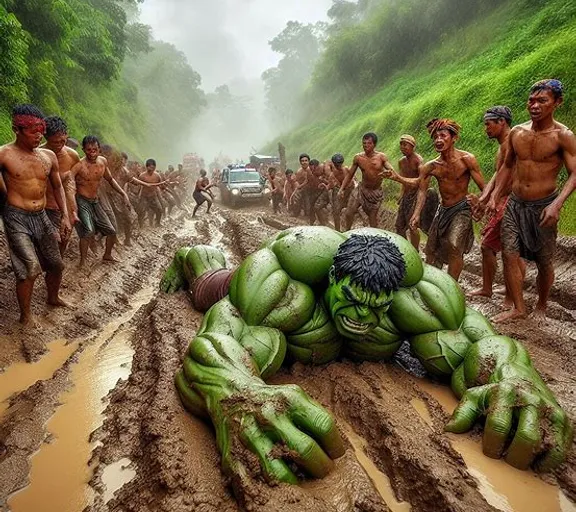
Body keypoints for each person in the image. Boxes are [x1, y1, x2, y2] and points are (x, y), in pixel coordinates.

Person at [161, 226, 572, 491]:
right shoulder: (284, 285)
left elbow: (482, 341)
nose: (362, 318)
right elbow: (213, 345)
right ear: (332, 280)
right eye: (353, 303)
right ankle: (193, 252)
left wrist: (512, 374)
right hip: (255, 280)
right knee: (204, 285)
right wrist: (238, 389)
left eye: (375, 309)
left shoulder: (422, 295)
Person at [488, 79, 576, 322]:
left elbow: (574, 174)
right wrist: (495, 196)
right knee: (508, 252)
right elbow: (506, 167)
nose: (534, 105)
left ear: (557, 103)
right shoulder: (517, 132)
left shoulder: (563, 136)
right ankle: (518, 307)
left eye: (542, 101)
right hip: (516, 204)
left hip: (543, 205)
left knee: (545, 261)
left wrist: (557, 204)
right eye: (531, 100)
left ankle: (541, 304)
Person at [0, 104, 71, 325]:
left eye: (41, 131)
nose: (39, 136)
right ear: (17, 129)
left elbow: (58, 187)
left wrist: (66, 216)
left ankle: (53, 297)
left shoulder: (48, 155)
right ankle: (25, 317)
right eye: (33, 131)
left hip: (41, 216)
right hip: (16, 217)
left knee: (56, 264)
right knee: (30, 268)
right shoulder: (4, 154)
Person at [409, 119, 485, 281]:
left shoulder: (467, 159)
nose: (438, 140)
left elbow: (483, 188)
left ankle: (452, 286)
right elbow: (422, 192)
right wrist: (416, 214)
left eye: (443, 136)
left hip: (462, 208)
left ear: (454, 138)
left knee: (454, 245)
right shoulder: (431, 166)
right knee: (431, 250)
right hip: (442, 210)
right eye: (435, 137)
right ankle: (431, 284)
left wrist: (482, 203)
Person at [471, 107, 526, 304]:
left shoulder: (511, 142)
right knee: (510, 250)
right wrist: (485, 198)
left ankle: (511, 299)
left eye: (489, 123)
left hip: (511, 201)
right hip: (504, 200)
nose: (486, 128)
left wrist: (492, 199)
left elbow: (510, 176)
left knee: (495, 247)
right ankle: (497, 289)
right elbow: (498, 174)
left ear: (502, 121)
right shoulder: (502, 145)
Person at [70, 135, 131, 267]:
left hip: (95, 201)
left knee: (111, 231)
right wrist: (71, 204)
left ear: (99, 150)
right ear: (83, 150)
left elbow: (110, 179)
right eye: (89, 150)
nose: (92, 153)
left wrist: (123, 193)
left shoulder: (102, 161)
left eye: (95, 150)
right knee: (88, 231)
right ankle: (82, 261)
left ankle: (107, 255)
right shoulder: (80, 165)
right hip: (82, 201)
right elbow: (69, 179)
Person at [41, 116, 80, 255]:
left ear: (67, 136)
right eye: (54, 142)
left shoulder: (72, 156)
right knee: (48, 243)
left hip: (64, 208)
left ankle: (55, 273)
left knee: (64, 240)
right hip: (43, 207)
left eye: (63, 141)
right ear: (46, 137)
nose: (59, 145)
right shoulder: (38, 155)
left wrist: (73, 210)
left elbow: (73, 182)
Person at [340, 132, 394, 229]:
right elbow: (349, 175)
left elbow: (390, 169)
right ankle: (347, 232)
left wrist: (389, 172)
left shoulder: (381, 157)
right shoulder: (358, 158)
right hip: (361, 189)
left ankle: (375, 240)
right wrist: (342, 189)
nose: (366, 146)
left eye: (369, 143)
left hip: (375, 192)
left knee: (372, 219)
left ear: (374, 144)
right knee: (349, 213)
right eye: (364, 143)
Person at [393, 135, 424, 249]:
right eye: (401, 144)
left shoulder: (419, 161)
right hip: (406, 196)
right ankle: (406, 249)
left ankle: (415, 250)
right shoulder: (401, 162)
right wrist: (401, 195)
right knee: (399, 226)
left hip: (416, 196)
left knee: (413, 226)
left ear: (412, 146)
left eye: (405, 144)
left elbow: (421, 182)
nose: (402, 147)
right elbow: (403, 179)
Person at [327, 153, 354, 232]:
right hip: (338, 190)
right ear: (334, 164)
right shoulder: (332, 174)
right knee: (336, 211)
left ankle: (349, 228)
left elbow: (353, 179)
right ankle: (337, 230)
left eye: (340, 164)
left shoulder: (346, 169)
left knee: (352, 209)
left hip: (349, 189)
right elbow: (331, 185)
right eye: (336, 164)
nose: (338, 166)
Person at [137, 159, 164, 227]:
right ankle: (141, 226)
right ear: (147, 167)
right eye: (150, 167)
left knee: (159, 210)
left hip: (153, 196)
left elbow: (161, 185)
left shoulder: (157, 176)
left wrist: (165, 185)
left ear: (155, 167)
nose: (151, 169)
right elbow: (138, 186)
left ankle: (157, 223)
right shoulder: (142, 176)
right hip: (144, 196)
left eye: (153, 167)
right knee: (141, 212)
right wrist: (138, 196)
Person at [307, 159, 331, 225]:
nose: (312, 172)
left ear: (317, 167)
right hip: (324, 190)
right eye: (311, 170)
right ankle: (321, 223)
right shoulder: (315, 173)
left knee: (318, 206)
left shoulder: (326, 169)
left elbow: (334, 183)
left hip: (334, 189)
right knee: (314, 205)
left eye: (313, 170)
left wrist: (324, 182)